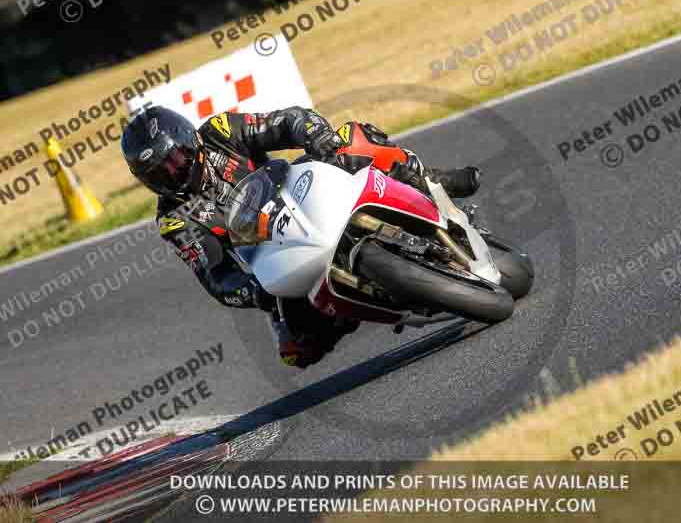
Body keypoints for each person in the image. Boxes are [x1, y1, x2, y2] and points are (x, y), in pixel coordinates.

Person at [121, 106, 480, 368]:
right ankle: (357, 300)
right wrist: (254, 290)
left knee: (351, 138)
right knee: (297, 352)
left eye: (177, 157)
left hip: (304, 192)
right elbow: (216, 278)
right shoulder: (173, 219)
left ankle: (432, 182)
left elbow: (286, 121)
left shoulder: (220, 130)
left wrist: (318, 138)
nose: (175, 170)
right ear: (147, 179)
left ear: (191, 140)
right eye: (161, 170)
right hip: (274, 258)